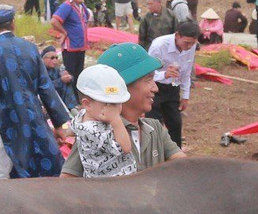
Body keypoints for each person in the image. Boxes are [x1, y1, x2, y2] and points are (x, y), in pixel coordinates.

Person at [0, 6, 70, 179]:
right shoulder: (30, 48)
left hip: (4, 117)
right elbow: (46, 88)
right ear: (13, 24)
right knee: (37, 160)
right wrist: (60, 123)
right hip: (33, 115)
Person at [62, 43, 183, 176]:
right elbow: (67, 181)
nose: (156, 88)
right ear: (121, 88)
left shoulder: (154, 129)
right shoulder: (95, 134)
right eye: (148, 80)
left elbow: (184, 166)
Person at [71, 63, 141, 178]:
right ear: (87, 104)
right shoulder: (95, 133)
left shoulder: (82, 117)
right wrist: (116, 121)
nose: (117, 108)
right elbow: (126, 147)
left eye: (119, 102)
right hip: (111, 185)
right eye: (109, 104)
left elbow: (72, 127)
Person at [145, 19, 200, 148]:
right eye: (186, 43)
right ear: (177, 35)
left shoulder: (190, 47)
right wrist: (164, 74)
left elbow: (186, 72)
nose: (188, 46)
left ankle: (176, 154)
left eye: (192, 43)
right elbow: (147, 72)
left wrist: (185, 95)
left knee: (175, 123)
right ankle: (153, 153)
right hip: (155, 87)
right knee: (154, 124)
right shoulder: (159, 45)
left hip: (173, 86)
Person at [49, 0, 90, 83]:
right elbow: (54, 21)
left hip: (80, 45)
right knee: (71, 74)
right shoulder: (67, 6)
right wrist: (64, 32)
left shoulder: (82, 6)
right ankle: (70, 96)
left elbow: (86, 19)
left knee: (79, 73)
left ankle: (78, 96)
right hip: (71, 46)